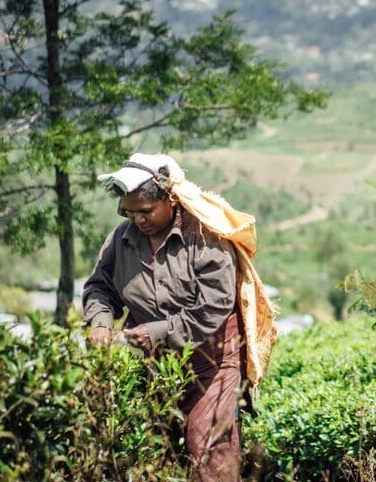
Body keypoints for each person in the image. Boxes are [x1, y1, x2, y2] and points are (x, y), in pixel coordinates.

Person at [82, 153, 277, 482]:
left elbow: (213, 308)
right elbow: (100, 288)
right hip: (155, 364)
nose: (137, 220)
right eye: (129, 212)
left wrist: (157, 331)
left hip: (212, 361)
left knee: (209, 454)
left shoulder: (204, 239)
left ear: (170, 200)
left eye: (145, 211)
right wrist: (100, 321)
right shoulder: (122, 239)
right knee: (158, 453)